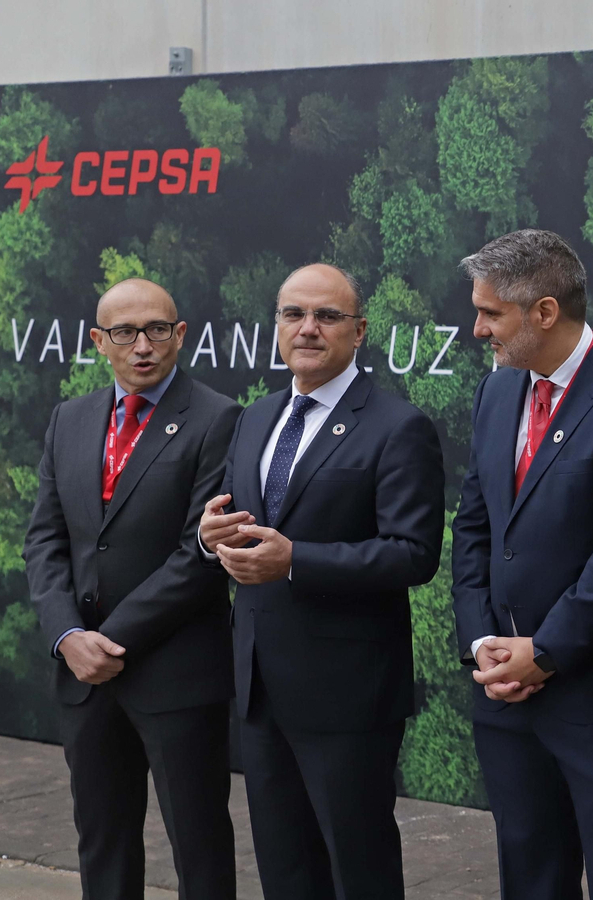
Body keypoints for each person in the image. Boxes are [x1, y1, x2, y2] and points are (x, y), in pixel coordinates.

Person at [199, 263, 444, 900]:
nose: (308, 328)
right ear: (277, 325)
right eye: (294, 314)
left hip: (347, 697)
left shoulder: (398, 426)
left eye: (327, 316)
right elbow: (233, 517)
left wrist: (296, 561)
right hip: (260, 690)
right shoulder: (256, 417)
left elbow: (413, 554)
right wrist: (208, 536)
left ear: (359, 331)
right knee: (285, 871)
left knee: (358, 872)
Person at [450, 229, 593, 900]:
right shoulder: (496, 392)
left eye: (490, 313)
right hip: (503, 699)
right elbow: (474, 527)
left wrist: (547, 651)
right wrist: (482, 644)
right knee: (530, 881)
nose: (477, 329)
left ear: (544, 312)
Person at [23, 278, 241, 899]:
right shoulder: (70, 419)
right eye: (124, 332)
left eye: (157, 330)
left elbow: (201, 554)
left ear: (181, 334)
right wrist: (68, 637)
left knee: (199, 847)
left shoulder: (219, 419)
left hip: (176, 677)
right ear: (99, 341)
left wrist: (106, 641)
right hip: (84, 678)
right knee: (103, 844)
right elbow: (45, 541)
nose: (142, 346)